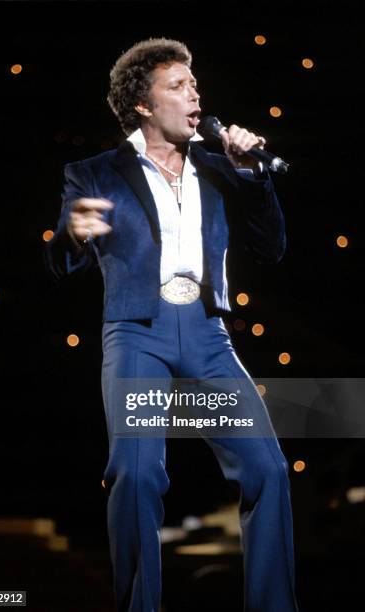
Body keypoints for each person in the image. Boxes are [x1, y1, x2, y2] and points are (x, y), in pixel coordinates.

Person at [47, 38, 299, 612]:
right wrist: (74, 232)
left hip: (208, 334)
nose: (195, 95)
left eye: (195, 85)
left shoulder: (217, 166)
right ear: (143, 103)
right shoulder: (94, 173)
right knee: (136, 477)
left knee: (267, 468)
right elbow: (60, 263)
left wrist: (255, 176)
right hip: (138, 332)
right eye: (179, 86)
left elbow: (272, 247)